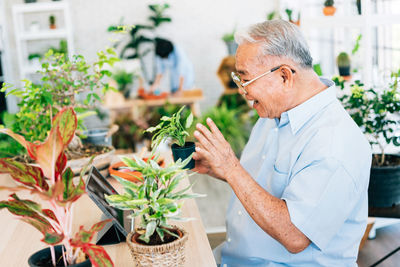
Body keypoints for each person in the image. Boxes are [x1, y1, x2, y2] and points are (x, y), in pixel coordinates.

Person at [192, 19, 372, 266]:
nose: (242, 90)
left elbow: (295, 235)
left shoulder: (334, 143)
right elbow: (260, 186)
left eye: (245, 78)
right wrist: (221, 169)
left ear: (284, 76)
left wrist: (232, 169)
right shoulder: (273, 113)